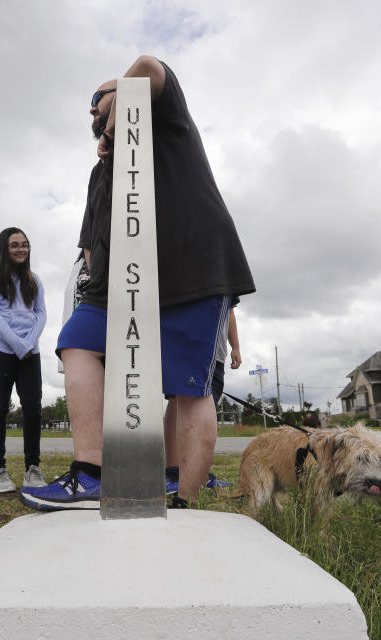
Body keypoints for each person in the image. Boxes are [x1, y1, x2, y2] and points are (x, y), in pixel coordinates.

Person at [20, 55, 255, 511]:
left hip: (191, 268)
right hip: (119, 279)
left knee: (188, 386)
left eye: (100, 98)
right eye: (90, 108)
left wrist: (115, 123)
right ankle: (90, 475)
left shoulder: (162, 117)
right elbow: (93, 236)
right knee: (76, 341)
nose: (92, 111)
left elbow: (147, 65)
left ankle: (183, 498)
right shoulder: (100, 171)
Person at [0, 227, 47, 493]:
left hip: (31, 350)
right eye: (15, 245)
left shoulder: (35, 279)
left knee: (33, 409)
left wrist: (28, 342)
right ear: (4, 248)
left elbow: (41, 314)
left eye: (25, 245)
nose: (21, 249)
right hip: (1, 348)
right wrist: (17, 344)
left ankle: (33, 468)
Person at [164, 302, 241, 494]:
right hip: (195, 344)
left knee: (182, 402)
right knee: (187, 403)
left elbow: (230, 309)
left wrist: (236, 346)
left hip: (209, 349)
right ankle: (183, 474)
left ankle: (183, 472)